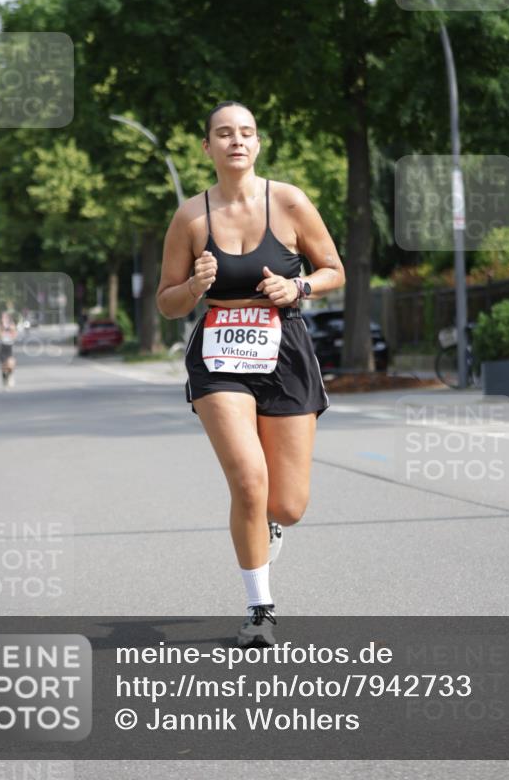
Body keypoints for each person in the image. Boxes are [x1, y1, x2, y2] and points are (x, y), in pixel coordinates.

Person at [156, 102, 345, 646]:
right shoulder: (191, 218)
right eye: (224, 133)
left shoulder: (289, 202)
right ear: (207, 147)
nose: (236, 141)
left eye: (246, 133)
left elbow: (334, 269)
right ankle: (259, 608)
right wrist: (194, 287)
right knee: (247, 479)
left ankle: (270, 525)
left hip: (284, 347)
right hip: (219, 352)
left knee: (285, 503)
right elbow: (168, 303)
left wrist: (300, 287)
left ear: (257, 144)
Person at [0, 311, 18, 388]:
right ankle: (5, 380)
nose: (5, 319)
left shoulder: (12, 325)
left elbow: (15, 336)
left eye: (6, 317)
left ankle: (10, 377)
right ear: (1, 319)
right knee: (4, 367)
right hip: (2, 347)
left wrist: (11, 331)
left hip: (9, 347)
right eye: (3, 317)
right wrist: (1, 333)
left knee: (11, 364)